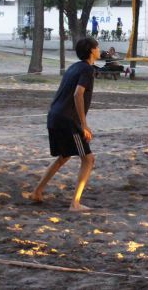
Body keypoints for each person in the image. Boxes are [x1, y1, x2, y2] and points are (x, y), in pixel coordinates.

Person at [27, 38, 100, 211]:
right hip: (68, 120)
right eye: (97, 47)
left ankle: (37, 192)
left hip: (54, 116)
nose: (99, 49)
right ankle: (75, 203)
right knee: (88, 159)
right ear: (91, 50)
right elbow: (77, 94)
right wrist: (84, 124)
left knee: (64, 156)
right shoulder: (86, 70)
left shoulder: (74, 67)